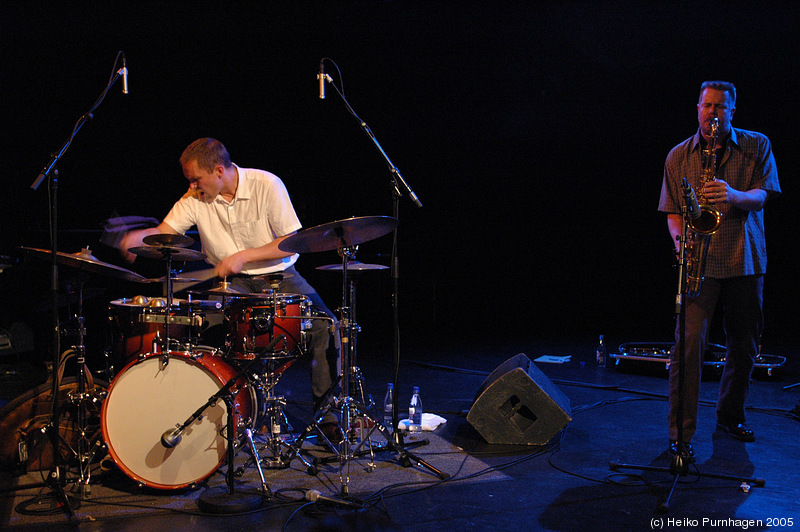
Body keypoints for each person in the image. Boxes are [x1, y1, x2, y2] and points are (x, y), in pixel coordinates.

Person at [119, 137, 342, 441]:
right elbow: (164, 234)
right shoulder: (194, 198)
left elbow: (292, 240)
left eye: (196, 179)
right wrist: (137, 238)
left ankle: (327, 418)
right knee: (201, 330)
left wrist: (244, 256)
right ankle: (226, 413)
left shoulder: (266, 184)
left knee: (326, 327)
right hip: (231, 284)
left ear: (219, 170)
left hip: (278, 275)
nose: (192, 187)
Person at [658, 81, 780, 458]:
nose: (713, 113)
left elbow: (761, 196)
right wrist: (680, 241)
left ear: (733, 111)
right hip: (699, 262)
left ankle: (730, 415)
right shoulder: (679, 155)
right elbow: (673, 211)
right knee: (689, 345)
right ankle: (681, 434)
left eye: (721, 107)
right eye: (707, 105)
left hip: (744, 258)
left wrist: (733, 195)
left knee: (744, 346)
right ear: (697, 107)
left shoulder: (757, 145)